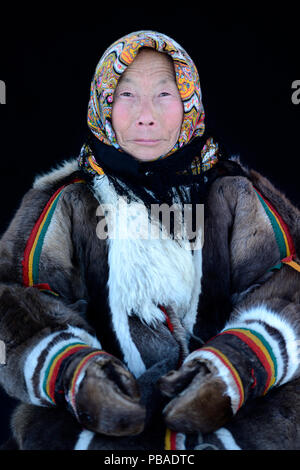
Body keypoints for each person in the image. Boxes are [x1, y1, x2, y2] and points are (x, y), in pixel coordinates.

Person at [0, 30, 300, 451]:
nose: (145, 115)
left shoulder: (237, 194)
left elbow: (291, 284)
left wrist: (235, 366)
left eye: (164, 94)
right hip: (90, 435)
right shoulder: (64, 202)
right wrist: (76, 376)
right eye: (126, 95)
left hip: (237, 429)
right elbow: (10, 304)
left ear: (189, 104)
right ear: (103, 102)